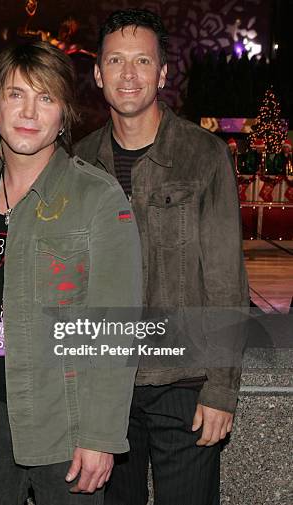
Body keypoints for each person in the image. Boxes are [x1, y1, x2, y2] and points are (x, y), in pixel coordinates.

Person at [0, 40, 142, 505]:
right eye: (15, 94)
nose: (29, 110)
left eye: (46, 98)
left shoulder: (98, 198)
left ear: (64, 115)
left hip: (66, 425)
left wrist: (100, 435)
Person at [74, 9, 249, 505]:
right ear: (98, 74)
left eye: (142, 61)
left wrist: (220, 389)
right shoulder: (80, 162)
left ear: (163, 73)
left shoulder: (203, 155)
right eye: (115, 61)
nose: (128, 75)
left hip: (184, 385)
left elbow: (226, 283)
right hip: (107, 388)